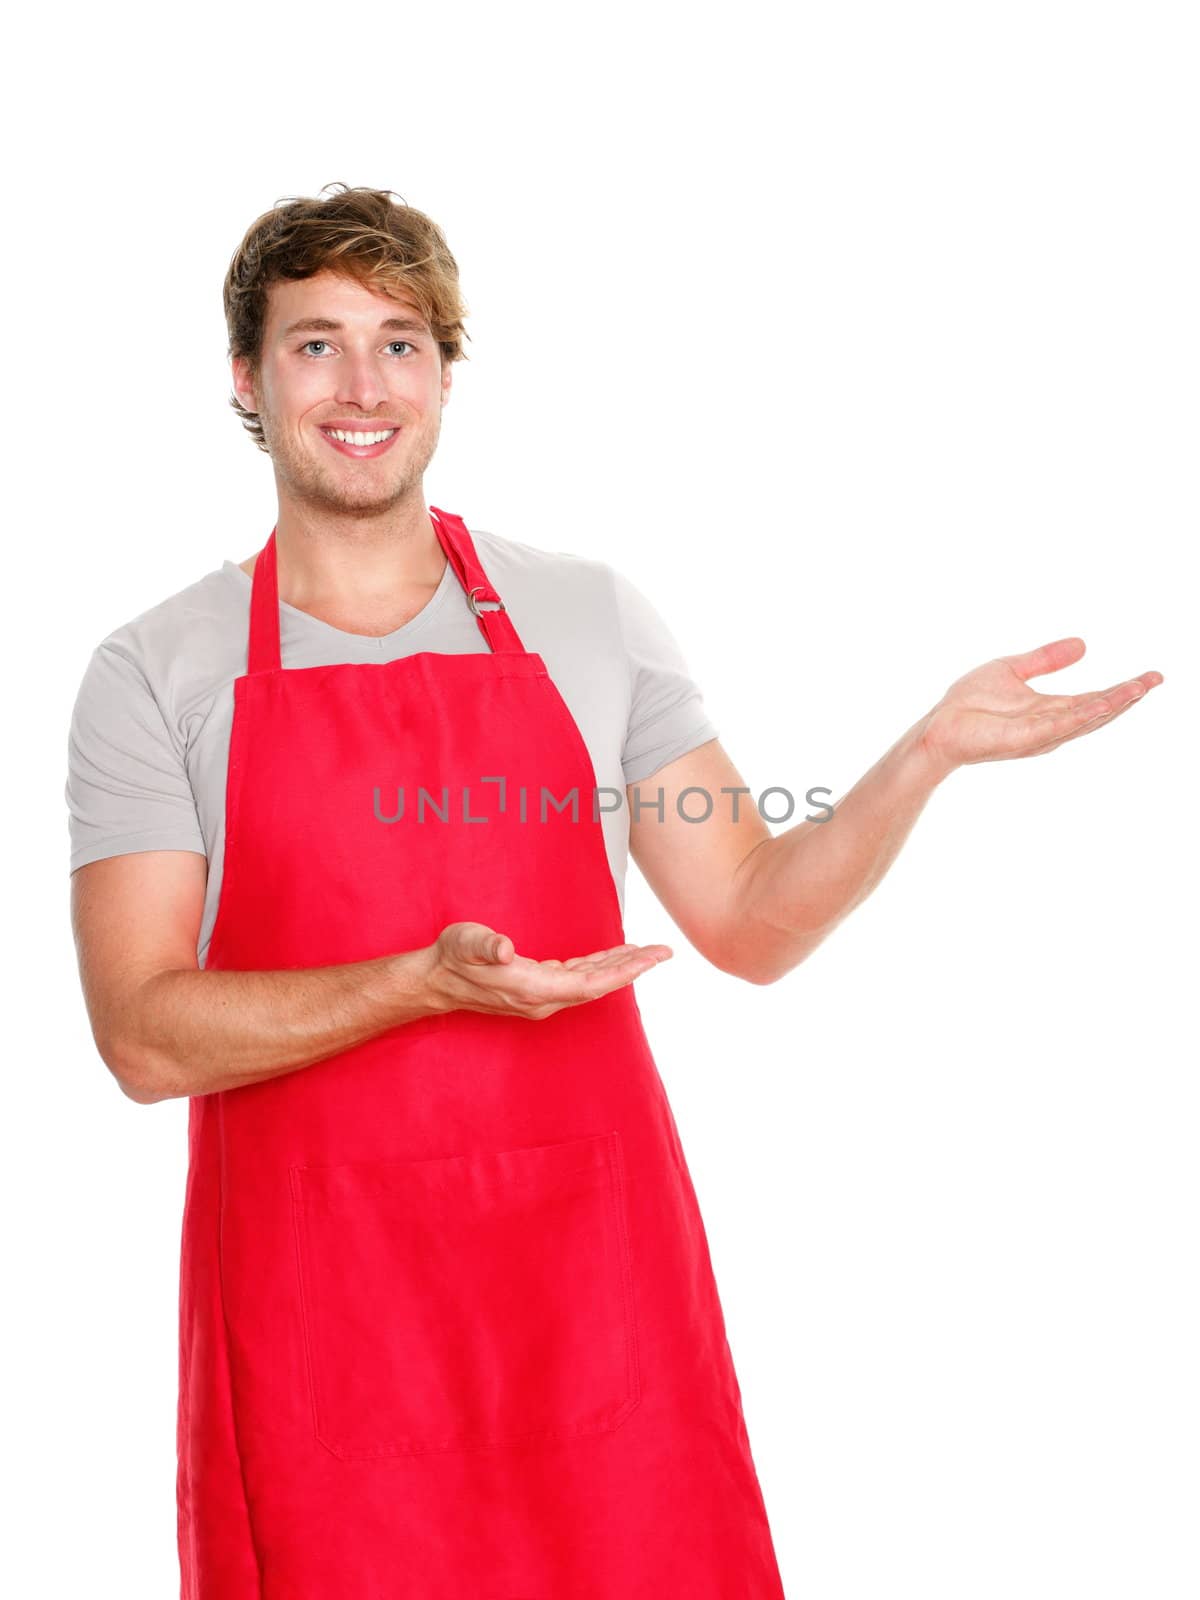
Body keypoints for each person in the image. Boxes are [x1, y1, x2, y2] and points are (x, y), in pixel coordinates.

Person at [65, 184, 1161, 1599]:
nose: (361, 386)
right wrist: (421, 981)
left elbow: (749, 916)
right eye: (315, 343)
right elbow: (145, 1035)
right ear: (245, 377)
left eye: (401, 344)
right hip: (322, 1312)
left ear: (449, 375)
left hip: (589, 1287)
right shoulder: (158, 671)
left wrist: (921, 757)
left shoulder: (589, 616)